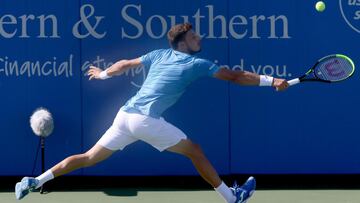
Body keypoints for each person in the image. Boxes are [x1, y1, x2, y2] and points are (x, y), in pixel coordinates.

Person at [15, 23, 289, 203]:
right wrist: (271, 80)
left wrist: (101, 76)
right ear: (183, 43)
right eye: (194, 36)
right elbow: (235, 76)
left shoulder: (158, 54)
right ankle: (232, 197)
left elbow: (124, 64)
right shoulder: (197, 63)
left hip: (124, 116)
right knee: (195, 150)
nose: (199, 38)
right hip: (144, 120)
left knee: (88, 157)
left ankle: (34, 181)